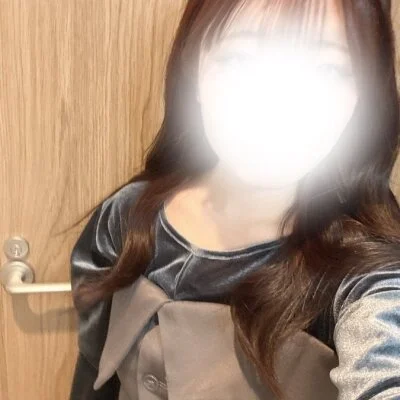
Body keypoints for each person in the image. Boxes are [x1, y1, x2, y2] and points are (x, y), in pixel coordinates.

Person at [69, 0, 400, 399]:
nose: (276, 104)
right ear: (194, 71)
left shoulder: (365, 272)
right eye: (240, 59)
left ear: (362, 97)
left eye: (327, 70)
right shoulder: (126, 216)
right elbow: (93, 371)